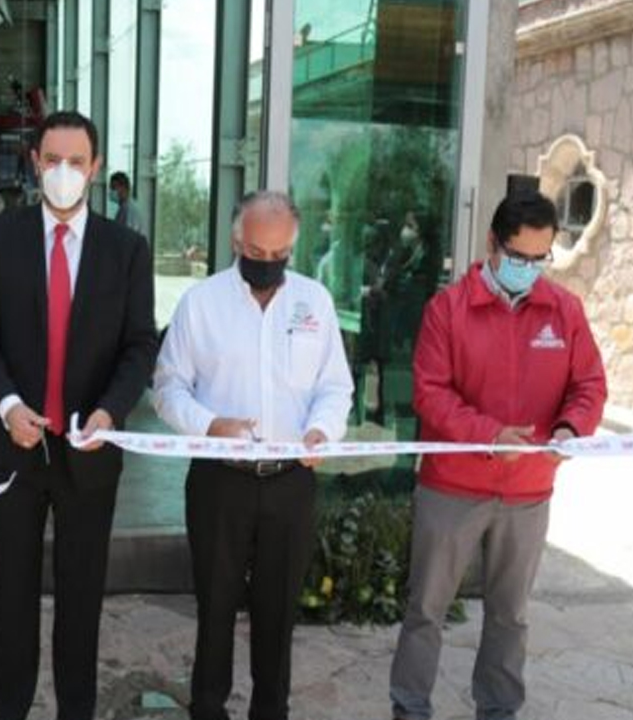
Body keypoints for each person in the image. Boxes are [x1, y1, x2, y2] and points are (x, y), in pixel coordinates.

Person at [0, 111, 158, 720]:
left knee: (81, 599)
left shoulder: (126, 250)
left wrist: (110, 411)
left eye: (77, 162)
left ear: (95, 168)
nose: (64, 172)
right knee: (12, 598)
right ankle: (9, 710)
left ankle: (77, 709)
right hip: (14, 448)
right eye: (53, 160)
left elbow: (139, 345)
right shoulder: (3, 239)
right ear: (35, 163)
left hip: (89, 455)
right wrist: (7, 404)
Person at [389, 190, 607, 720]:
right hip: (452, 488)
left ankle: (499, 708)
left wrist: (569, 427)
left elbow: (590, 385)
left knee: (510, 614)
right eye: (518, 257)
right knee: (426, 609)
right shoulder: (448, 309)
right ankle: (410, 707)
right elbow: (431, 392)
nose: (529, 269)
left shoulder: (564, 311)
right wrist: (489, 435)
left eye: (540, 259)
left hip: (529, 491)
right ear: (492, 244)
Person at [153, 191, 353, 720]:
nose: (267, 264)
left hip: (291, 482)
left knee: (278, 611)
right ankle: (208, 708)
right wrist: (210, 425)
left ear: (293, 246)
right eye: (256, 252)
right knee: (214, 608)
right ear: (237, 241)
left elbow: (336, 387)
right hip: (220, 480)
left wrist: (321, 431)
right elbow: (168, 387)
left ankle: (271, 711)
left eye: (279, 254)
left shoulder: (315, 302)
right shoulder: (202, 303)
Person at [109, 171, 146, 236]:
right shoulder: (124, 208)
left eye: (113, 188)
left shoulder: (130, 209)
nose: (111, 191)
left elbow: (128, 236)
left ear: (123, 187)